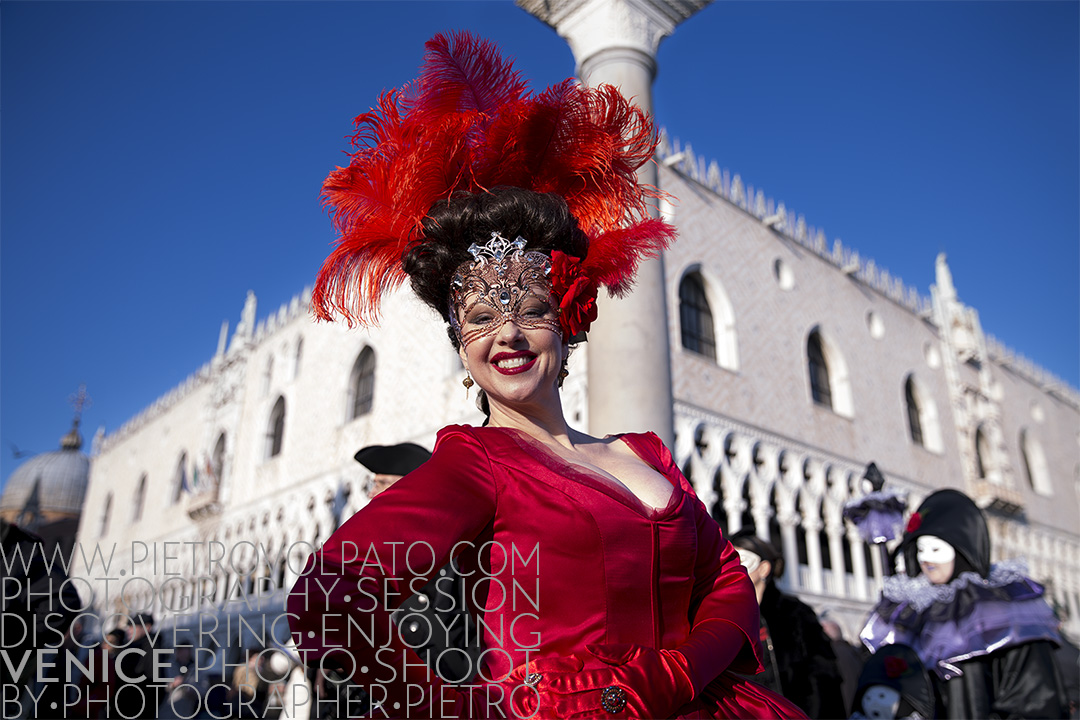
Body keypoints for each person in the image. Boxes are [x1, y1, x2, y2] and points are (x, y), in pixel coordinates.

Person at [288, 31, 806, 719]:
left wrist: (678, 675)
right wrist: (461, 708)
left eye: (530, 310)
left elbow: (726, 579)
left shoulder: (645, 453)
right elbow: (330, 595)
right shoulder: (477, 465)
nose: (506, 333)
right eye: (477, 319)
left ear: (567, 320)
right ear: (459, 343)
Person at [860, 489, 1067, 718]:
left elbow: (1035, 699)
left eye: (936, 549)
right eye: (920, 549)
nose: (926, 559)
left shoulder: (1004, 611)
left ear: (962, 549)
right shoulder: (909, 613)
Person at [356, 443, 483, 684]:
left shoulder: (456, 553)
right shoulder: (380, 554)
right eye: (371, 484)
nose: (372, 493)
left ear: (409, 488)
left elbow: (478, 635)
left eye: (380, 483)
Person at [728, 530, 847, 719]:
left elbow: (822, 676)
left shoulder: (795, 613)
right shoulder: (725, 614)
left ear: (764, 568)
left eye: (742, 560)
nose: (734, 568)